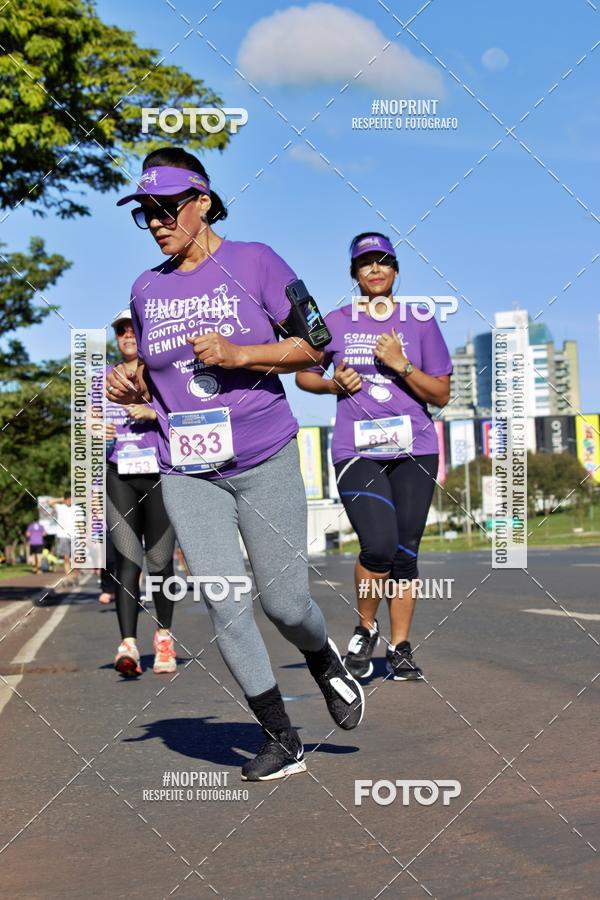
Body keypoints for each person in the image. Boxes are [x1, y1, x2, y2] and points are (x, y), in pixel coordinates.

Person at [108, 146, 365, 781]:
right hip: (187, 467)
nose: (159, 221)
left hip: (263, 453)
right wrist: (131, 381)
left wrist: (240, 354)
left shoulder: (255, 261)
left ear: (203, 200)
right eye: (146, 213)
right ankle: (280, 737)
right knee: (225, 600)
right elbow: (159, 369)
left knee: (283, 603)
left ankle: (321, 656)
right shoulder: (147, 289)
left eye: (168, 208)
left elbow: (318, 343)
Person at [296, 232, 452, 681]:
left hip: (415, 449)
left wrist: (402, 363)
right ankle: (365, 628)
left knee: (405, 552)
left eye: (383, 261)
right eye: (365, 263)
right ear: (354, 274)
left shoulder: (419, 321)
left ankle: (400, 647)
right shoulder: (336, 321)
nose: (375, 269)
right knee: (379, 544)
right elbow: (305, 375)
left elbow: (440, 393)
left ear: (396, 270)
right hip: (356, 449)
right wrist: (332, 384)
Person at [102, 310, 177, 676]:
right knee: (127, 562)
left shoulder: (163, 375)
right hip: (120, 474)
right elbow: (89, 422)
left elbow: (186, 415)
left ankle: (164, 637)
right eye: (121, 331)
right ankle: (127, 644)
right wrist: (95, 427)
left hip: (160, 474)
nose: (127, 335)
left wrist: (152, 413)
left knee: (161, 563)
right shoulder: (103, 379)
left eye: (133, 329)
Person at [47, 492, 77, 584]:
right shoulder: (60, 507)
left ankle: (75, 574)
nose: (69, 501)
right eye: (68, 499)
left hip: (75, 535)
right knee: (66, 557)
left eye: (71, 499)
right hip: (63, 535)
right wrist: (61, 499)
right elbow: (50, 502)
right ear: (65, 500)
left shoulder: (76, 508)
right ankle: (68, 575)